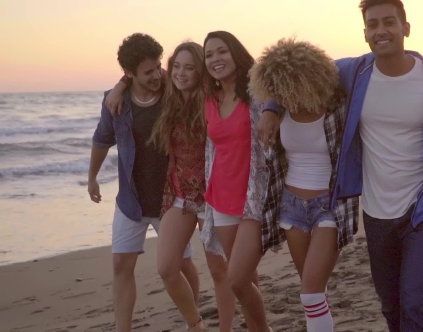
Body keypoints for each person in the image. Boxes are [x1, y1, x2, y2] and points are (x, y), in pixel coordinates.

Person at [256, 1, 423, 331]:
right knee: (391, 307)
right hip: (376, 213)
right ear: (365, 33)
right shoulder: (354, 73)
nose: (381, 30)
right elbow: (297, 73)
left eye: (389, 22)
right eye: (373, 24)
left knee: (416, 304)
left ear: (406, 28)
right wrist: (270, 108)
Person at [105, 42, 241, 332]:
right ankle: (196, 324)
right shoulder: (168, 96)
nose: (179, 73)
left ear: (200, 70)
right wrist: (119, 86)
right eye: (175, 66)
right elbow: (139, 72)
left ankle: (226, 328)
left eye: (189, 67)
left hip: (213, 197)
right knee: (167, 268)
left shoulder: (213, 100)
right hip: (179, 195)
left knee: (219, 270)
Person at [88, 33, 200, 332]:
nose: (157, 75)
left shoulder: (172, 93)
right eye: (148, 71)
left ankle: (193, 318)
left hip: (170, 199)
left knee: (183, 265)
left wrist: (121, 82)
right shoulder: (116, 102)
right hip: (131, 201)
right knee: (120, 266)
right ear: (129, 73)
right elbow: (102, 139)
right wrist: (92, 178)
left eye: (158, 67)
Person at [248, 38, 359, 332]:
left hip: (329, 206)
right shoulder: (278, 109)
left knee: (310, 292)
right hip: (291, 207)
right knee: (314, 293)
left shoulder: (339, 107)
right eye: (280, 91)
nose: (288, 97)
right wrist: (271, 108)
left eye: (292, 88)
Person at [198, 31, 272, 332]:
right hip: (223, 198)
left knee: (237, 279)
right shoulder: (211, 101)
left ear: (236, 53)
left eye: (221, 51)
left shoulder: (258, 93)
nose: (215, 59)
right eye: (209, 55)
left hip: (253, 198)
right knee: (247, 277)